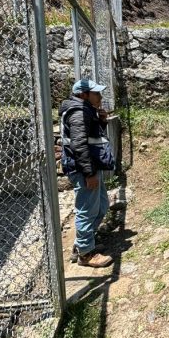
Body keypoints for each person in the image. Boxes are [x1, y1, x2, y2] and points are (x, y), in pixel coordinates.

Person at [59, 79, 116, 267]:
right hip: (84, 169)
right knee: (87, 210)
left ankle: (83, 243)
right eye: (96, 93)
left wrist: (101, 121)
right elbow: (79, 145)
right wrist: (89, 173)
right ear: (83, 95)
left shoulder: (85, 111)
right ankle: (86, 254)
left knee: (100, 207)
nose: (100, 96)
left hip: (90, 167)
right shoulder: (78, 113)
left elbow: (91, 138)